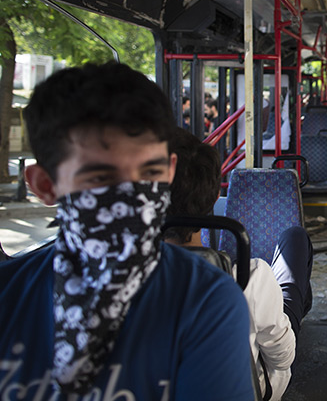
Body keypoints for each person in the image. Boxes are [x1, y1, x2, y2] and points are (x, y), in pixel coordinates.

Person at [0, 63, 254, 399]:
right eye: (101, 178)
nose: (132, 197)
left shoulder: (204, 302)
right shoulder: (8, 296)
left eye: (149, 172)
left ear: (168, 171)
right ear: (45, 185)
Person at [163, 127, 313, 401]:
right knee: (295, 240)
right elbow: (283, 358)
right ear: (210, 198)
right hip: (252, 388)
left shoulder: (122, 282)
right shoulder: (250, 278)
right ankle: (296, 304)